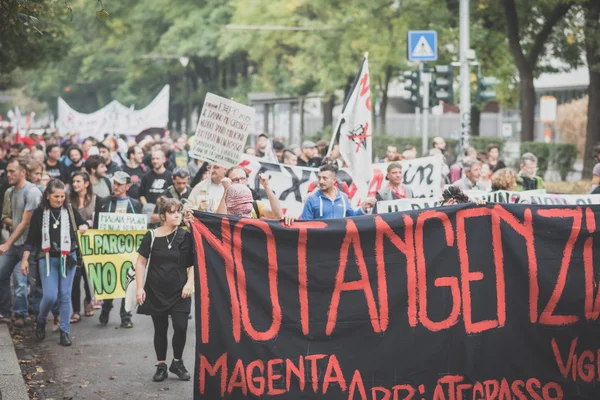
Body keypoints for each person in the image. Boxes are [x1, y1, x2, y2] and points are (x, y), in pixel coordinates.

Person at [20, 179, 88, 346]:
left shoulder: (70, 210)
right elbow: (31, 239)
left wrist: (84, 226)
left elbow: (82, 224)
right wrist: (25, 260)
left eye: (62, 196)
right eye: (56, 196)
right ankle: (41, 320)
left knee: (65, 295)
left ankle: (65, 332)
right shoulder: (40, 212)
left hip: (68, 258)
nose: (59, 200)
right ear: (48, 196)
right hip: (47, 258)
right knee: (50, 295)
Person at [135, 197, 194, 382]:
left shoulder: (186, 235)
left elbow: (194, 262)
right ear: (163, 216)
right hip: (155, 290)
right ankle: (161, 365)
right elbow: (141, 262)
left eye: (179, 211)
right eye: (172, 212)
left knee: (181, 326)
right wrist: (139, 288)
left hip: (180, 291)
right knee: (160, 329)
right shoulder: (151, 236)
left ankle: (177, 362)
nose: (177, 215)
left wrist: (190, 283)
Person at [94, 171, 142, 328]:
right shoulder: (103, 202)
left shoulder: (135, 204)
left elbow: (140, 228)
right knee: (110, 279)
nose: (115, 187)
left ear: (127, 186)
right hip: (109, 248)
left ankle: (126, 315)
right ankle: (106, 308)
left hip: (128, 250)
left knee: (127, 282)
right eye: (114, 183)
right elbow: (96, 227)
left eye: (119, 184)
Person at [0, 158, 43, 325]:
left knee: (21, 281)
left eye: (12, 171)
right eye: (8, 171)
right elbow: (8, 217)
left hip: (28, 247)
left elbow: (25, 223)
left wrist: (7, 243)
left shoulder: (32, 192)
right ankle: (4, 311)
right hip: (14, 244)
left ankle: (21, 315)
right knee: (2, 274)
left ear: (23, 172)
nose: (8, 174)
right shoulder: (10, 192)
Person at [300, 163, 375, 220]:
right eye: (319, 178)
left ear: (334, 180)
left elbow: (351, 217)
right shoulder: (311, 199)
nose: (321, 181)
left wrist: (364, 207)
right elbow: (305, 224)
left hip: (341, 240)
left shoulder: (343, 197)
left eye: (325, 178)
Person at [69, 172, 96, 321]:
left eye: (78, 181)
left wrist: (90, 224)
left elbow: (98, 218)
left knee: (87, 275)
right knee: (76, 276)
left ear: (86, 183)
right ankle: (76, 311)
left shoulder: (95, 199)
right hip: (74, 242)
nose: (75, 184)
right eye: (73, 181)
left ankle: (88, 301)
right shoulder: (68, 200)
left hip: (90, 242)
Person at [215, 167, 283, 219]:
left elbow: (277, 216)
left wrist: (266, 186)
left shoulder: (256, 205)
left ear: (247, 180)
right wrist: (227, 190)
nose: (240, 182)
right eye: (236, 180)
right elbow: (219, 221)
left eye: (243, 179)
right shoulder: (220, 204)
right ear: (229, 181)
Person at [139, 149, 172, 215]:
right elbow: (141, 195)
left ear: (164, 160)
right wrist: (147, 207)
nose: (155, 161)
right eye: (153, 159)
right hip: (149, 211)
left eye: (157, 158)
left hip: (166, 211)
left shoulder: (170, 176)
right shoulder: (146, 176)